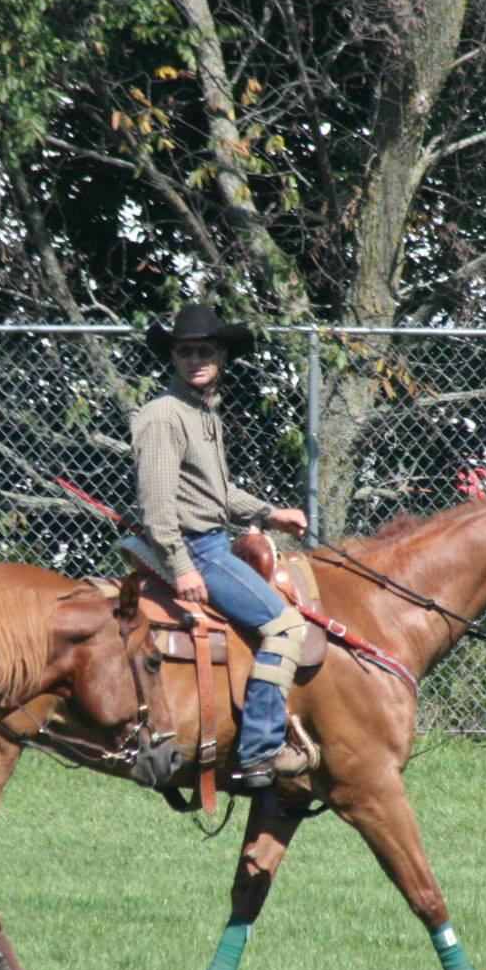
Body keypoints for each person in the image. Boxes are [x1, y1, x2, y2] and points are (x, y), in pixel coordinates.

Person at [131, 303, 312, 791]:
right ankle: (259, 753)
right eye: (186, 351)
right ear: (172, 357)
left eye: (205, 351)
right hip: (198, 552)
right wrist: (181, 566)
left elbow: (219, 493)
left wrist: (271, 513)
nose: (196, 360)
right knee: (286, 627)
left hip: (214, 541)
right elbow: (157, 509)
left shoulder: (203, 414)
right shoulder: (164, 416)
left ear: (222, 356)